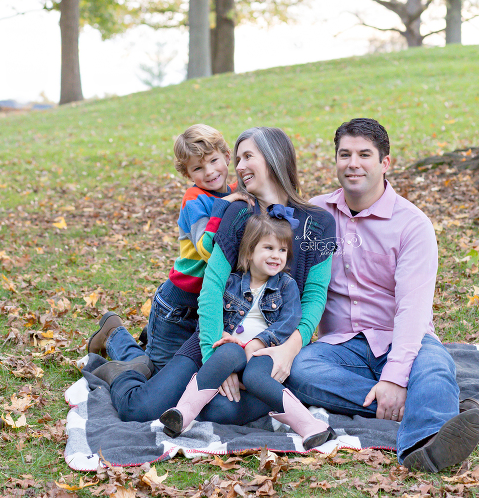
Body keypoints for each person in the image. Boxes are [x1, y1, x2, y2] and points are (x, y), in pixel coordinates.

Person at [91, 127, 336, 428]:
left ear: (274, 157)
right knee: (139, 409)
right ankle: (123, 369)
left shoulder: (319, 223)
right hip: (217, 339)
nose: (240, 166)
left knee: (222, 412)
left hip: (271, 349)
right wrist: (215, 361)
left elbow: (315, 297)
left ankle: (161, 373)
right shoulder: (238, 212)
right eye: (238, 159)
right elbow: (212, 289)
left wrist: (290, 349)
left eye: (248, 157)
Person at [285, 118, 479, 473]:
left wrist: (394, 377)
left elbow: (413, 310)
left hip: (403, 337)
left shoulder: (412, 224)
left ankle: (423, 447)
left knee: (436, 367)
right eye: (345, 154)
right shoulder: (315, 216)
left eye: (365, 154)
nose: (353, 163)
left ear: (385, 163)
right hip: (340, 346)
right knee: (300, 371)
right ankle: (433, 411)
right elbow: (269, 240)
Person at [160, 213, 336, 449]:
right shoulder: (232, 282)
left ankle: (310, 426)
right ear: (250, 252)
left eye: (282, 250)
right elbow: (211, 314)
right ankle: (183, 413)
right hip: (234, 349)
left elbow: (290, 320)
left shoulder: (286, 286)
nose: (276, 255)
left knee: (255, 377)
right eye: (269, 248)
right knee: (226, 353)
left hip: (264, 352)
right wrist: (223, 334)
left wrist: (261, 341)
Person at [87, 124, 248, 373]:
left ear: (227, 156)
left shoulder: (238, 191)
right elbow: (207, 249)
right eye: (197, 168)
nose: (209, 171)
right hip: (178, 306)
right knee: (154, 372)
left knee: (186, 372)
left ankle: (150, 336)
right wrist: (223, 206)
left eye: (214, 160)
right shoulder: (195, 199)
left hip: (209, 305)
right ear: (187, 174)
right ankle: (113, 334)